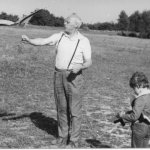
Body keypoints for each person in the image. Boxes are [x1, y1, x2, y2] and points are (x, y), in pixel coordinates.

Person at [21, 13, 92, 148]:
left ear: (75, 25)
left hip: (75, 77)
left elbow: (89, 61)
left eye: (68, 21)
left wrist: (80, 66)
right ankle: (62, 137)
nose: (64, 22)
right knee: (61, 108)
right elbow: (43, 41)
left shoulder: (83, 41)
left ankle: (74, 141)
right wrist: (30, 40)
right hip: (58, 75)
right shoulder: (59, 36)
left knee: (75, 111)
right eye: (65, 20)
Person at [116, 72, 150, 148]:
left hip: (139, 128)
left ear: (139, 86)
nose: (134, 91)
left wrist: (122, 116)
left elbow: (134, 116)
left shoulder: (140, 99)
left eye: (134, 88)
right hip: (148, 127)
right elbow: (143, 112)